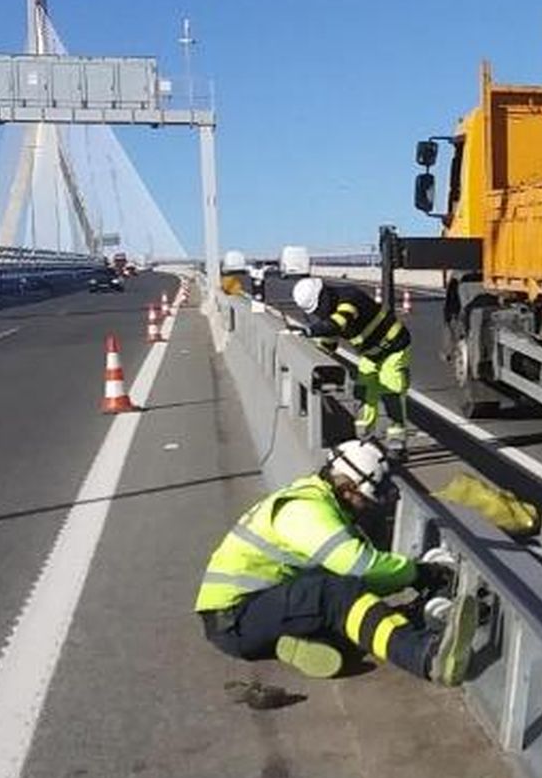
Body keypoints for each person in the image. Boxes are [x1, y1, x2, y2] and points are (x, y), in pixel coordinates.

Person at [195, 439, 476, 684]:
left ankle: (309, 643)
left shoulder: (315, 498)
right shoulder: (304, 511)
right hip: (235, 619)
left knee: (348, 602)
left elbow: (362, 578)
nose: (368, 506)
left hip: (248, 615)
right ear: (349, 489)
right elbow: (361, 567)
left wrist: (409, 577)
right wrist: (418, 573)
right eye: (366, 498)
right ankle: (428, 658)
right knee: (336, 595)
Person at [293, 274, 411, 451]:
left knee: (390, 389)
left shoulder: (349, 298)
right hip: (371, 355)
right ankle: (363, 437)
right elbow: (329, 341)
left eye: (318, 308)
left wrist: (309, 331)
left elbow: (338, 323)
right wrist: (315, 359)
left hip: (394, 347)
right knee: (363, 391)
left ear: (324, 295)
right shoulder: (331, 310)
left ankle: (397, 439)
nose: (319, 313)